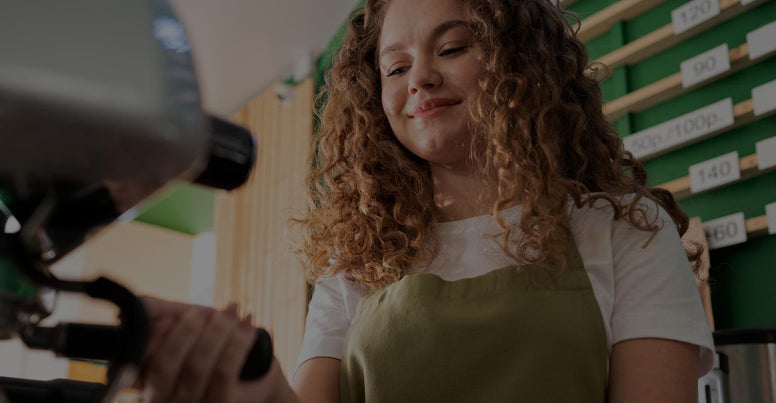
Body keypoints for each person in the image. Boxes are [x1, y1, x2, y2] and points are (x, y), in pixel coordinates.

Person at [138, 0, 715, 402]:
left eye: (453, 47)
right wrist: (250, 381)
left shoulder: (625, 231)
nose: (419, 79)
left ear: (523, 64)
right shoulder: (353, 262)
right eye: (395, 67)